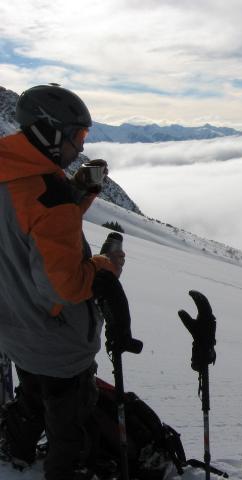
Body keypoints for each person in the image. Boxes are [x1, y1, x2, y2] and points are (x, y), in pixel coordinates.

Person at [0, 84, 124, 480]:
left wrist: (79, 193)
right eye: (78, 136)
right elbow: (64, 287)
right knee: (69, 427)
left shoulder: (13, 175)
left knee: (33, 395)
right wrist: (107, 267)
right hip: (57, 340)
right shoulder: (47, 194)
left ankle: (15, 453)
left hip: (16, 328)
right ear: (49, 132)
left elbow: (29, 223)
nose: (80, 147)